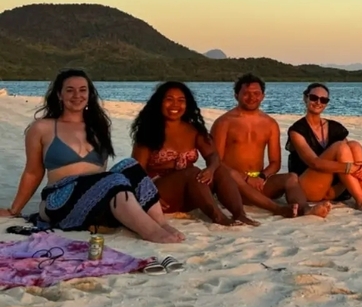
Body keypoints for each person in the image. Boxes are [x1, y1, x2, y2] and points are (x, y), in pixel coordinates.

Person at [0, 69, 184, 243]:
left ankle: (161, 223)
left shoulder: (99, 126)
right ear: (59, 95)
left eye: (82, 90)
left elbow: (100, 171)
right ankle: (151, 231)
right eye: (69, 90)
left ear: (89, 95)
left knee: (130, 165)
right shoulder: (42, 127)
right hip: (59, 199)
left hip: (95, 198)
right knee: (113, 179)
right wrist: (15, 209)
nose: (76, 95)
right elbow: (33, 172)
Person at [131, 81, 260, 227]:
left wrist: (210, 169)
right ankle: (218, 216)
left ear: (187, 105)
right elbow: (135, 171)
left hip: (190, 194)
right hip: (161, 194)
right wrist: (148, 194)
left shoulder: (194, 130)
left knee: (220, 169)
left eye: (181, 101)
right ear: (159, 103)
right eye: (169, 99)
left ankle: (239, 214)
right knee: (192, 171)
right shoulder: (149, 132)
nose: (175, 105)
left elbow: (213, 156)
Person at [211, 74, 332, 217]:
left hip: (259, 182)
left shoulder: (270, 124)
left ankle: (305, 209)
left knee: (291, 177)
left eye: (256, 93)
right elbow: (215, 161)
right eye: (246, 93)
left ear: (263, 96)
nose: (251, 97)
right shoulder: (223, 123)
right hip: (232, 183)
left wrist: (262, 176)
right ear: (236, 95)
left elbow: (275, 162)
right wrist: (245, 178)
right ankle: (277, 209)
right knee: (231, 174)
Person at [286, 83, 362, 212]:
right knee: (340, 146)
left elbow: (357, 155)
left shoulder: (334, 127)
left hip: (332, 189)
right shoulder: (297, 130)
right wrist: (351, 168)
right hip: (308, 187)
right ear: (305, 98)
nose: (318, 102)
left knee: (354, 145)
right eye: (314, 97)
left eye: (323, 100)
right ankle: (361, 201)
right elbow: (314, 163)